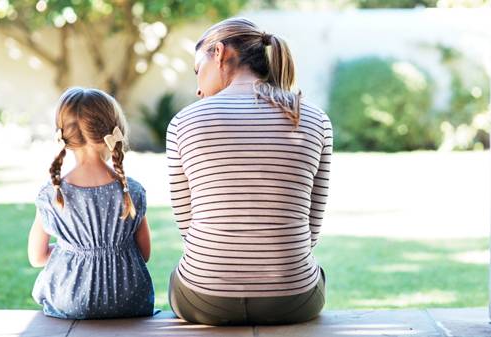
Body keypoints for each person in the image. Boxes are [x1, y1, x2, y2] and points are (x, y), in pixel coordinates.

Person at [166, 17, 333, 325]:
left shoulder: (183, 122)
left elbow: (188, 228)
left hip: (204, 299)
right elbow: (311, 228)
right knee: (315, 273)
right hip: (293, 299)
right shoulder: (314, 118)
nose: (198, 88)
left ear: (218, 53)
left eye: (197, 70)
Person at [28, 87, 154, 319]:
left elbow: (37, 257)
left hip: (71, 301)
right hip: (129, 299)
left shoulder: (52, 194)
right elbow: (144, 253)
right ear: (114, 131)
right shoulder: (132, 191)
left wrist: (72, 250)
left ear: (63, 136)